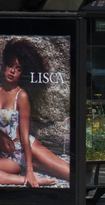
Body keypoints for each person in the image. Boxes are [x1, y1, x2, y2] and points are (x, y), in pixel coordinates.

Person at [0, 38, 70, 187]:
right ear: (4, 66)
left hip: (27, 149)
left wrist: (30, 170)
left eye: (18, 69)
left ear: (22, 73)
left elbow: (24, 134)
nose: (13, 71)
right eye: (10, 66)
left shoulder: (21, 96)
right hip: (9, 157)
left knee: (70, 173)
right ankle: (28, 181)